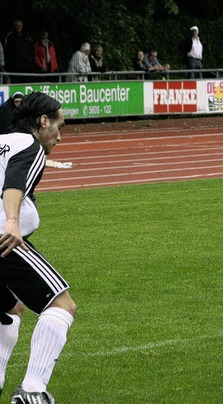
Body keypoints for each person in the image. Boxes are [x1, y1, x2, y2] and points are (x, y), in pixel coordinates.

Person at [0, 91, 76, 403]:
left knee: (8, 308)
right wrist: (13, 221)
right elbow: (14, 183)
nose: (60, 135)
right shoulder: (31, 147)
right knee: (62, 305)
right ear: (42, 122)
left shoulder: (2, 139)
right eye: (59, 125)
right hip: (4, 239)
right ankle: (33, 390)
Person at [4, 20, 34, 84]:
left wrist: (29, 59)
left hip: (25, 66)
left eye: (20, 26)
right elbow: (7, 51)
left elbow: (31, 48)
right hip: (14, 67)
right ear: (14, 26)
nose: (18, 27)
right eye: (17, 26)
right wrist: (13, 61)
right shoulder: (10, 36)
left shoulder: (26, 36)